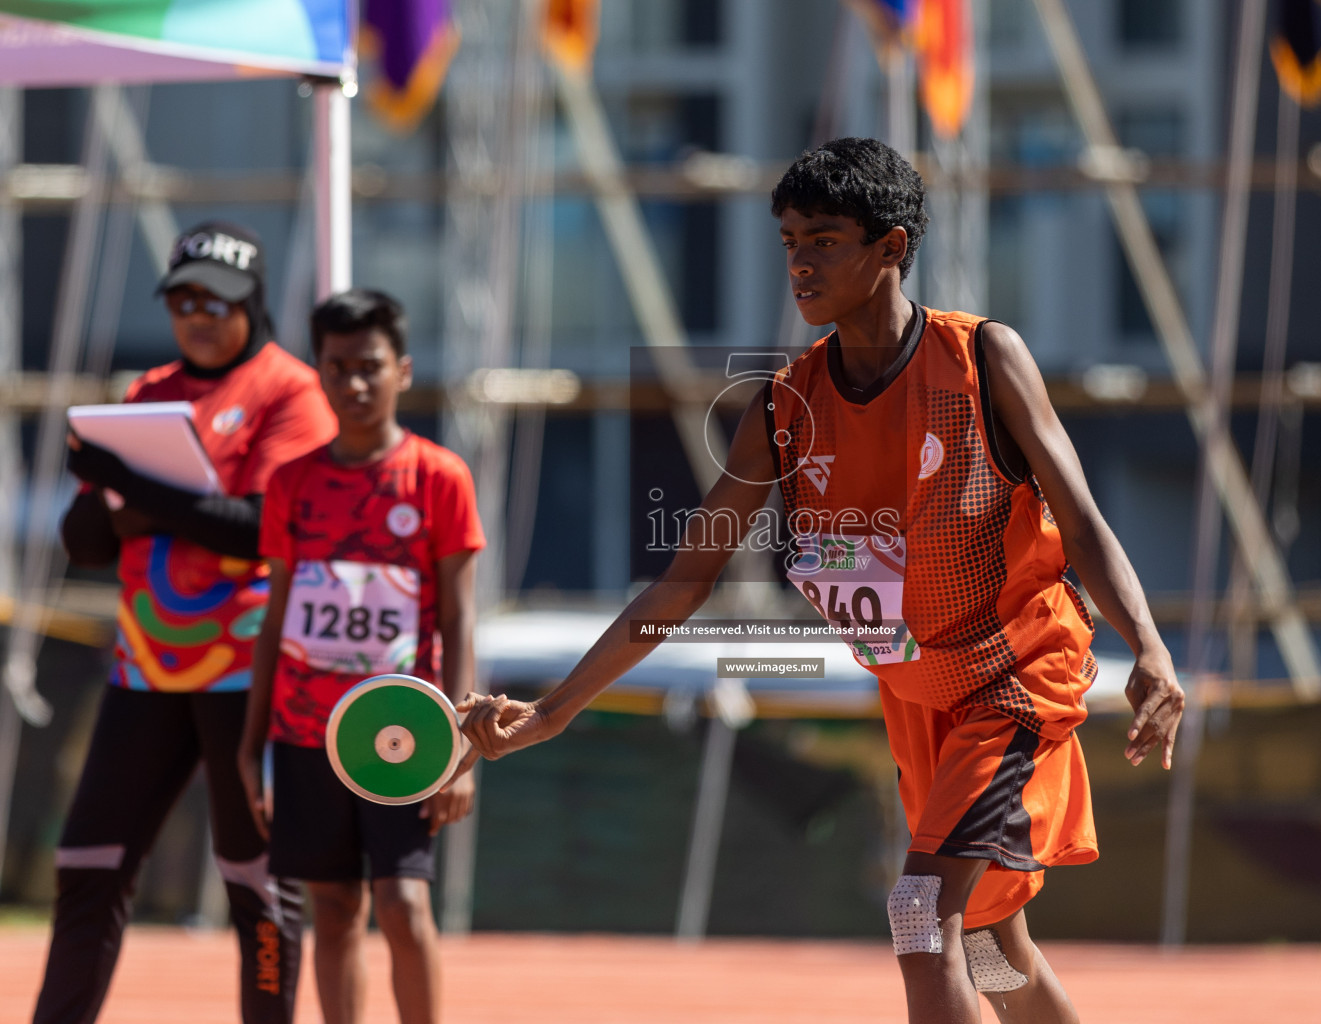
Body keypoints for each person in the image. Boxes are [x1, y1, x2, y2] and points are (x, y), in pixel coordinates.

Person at [453, 137, 1183, 1024]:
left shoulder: (982, 360)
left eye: (824, 240)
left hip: (1014, 683)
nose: (799, 262)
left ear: (892, 248)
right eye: (790, 240)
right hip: (918, 698)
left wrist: (1146, 643)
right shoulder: (781, 406)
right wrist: (557, 710)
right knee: (990, 950)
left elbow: (1081, 522)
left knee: (920, 915)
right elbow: (681, 585)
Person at [36, 221, 336, 1024]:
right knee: (87, 865)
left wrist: (139, 491)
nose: (199, 316)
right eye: (182, 301)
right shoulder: (149, 392)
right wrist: (97, 486)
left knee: (258, 882)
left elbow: (259, 529)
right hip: (146, 667)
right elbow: (88, 545)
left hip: (250, 674)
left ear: (254, 302)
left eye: (218, 301)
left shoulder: (291, 390)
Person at [238, 289, 482, 1024]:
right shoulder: (291, 482)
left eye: (369, 366)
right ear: (319, 370)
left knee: (403, 903)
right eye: (338, 367)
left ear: (402, 370)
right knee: (335, 908)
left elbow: (461, 615)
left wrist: (463, 745)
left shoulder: (439, 477)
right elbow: (274, 616)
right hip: (305, 731)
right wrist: (253, 749)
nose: (353, 383)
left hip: (404, 732)